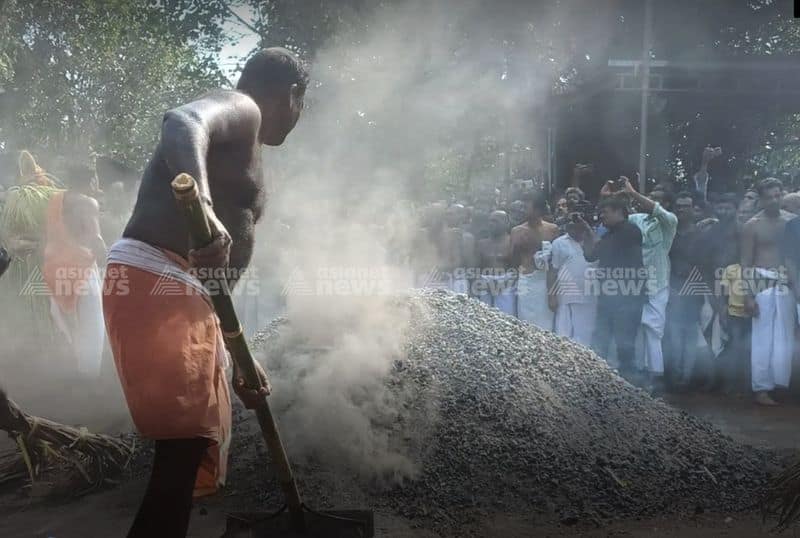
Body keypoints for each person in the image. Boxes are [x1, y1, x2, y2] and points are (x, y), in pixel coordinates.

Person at [103, 48, 306, 537]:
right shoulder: (243, 106)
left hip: (182, 292)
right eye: (302, 107)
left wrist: (240, 358)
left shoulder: (247, 140)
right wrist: (208, 208)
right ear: (293, 96)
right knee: (178, 460)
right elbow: (182, 120)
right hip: (159, 279)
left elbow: (215, 280)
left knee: (182, 458)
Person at [42, 163, 107, 379]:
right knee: (92, 327)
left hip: (54, 268)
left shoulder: (54, 201)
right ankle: (87, 382)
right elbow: (96, 240)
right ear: (90, 181)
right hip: (80, 270)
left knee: (67, 325)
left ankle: (66, 375)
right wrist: (109, 264)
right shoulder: (87, 202)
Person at [740, 177, 795, 406]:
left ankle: (781, 385)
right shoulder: (752, 225)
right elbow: (746, 262)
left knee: (785, 338)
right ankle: (762, 388)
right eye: (769, 196)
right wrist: (748, 295)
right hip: (761, 282)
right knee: (763, 339)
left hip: (787, 283)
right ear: (761, 200)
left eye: (778, 195)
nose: (774, 200)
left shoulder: (792, 221)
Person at [621, 178, 678, 392]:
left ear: (667, 205)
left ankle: (656, 375)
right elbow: (618, 219)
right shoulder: (636, 219)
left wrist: (634, 193)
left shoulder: (669, 221)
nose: (650, 202)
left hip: (657, 284)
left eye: (656, 200)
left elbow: (657, 211)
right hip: (634, 283)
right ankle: (638, 375)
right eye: (651, 198)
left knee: (654, 330)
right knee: (634, 328)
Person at [582, 193, 644, 376]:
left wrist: (592, 234)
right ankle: (600, 380)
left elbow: (599, 250)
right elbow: (590, 256)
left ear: (619, 212)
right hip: (608, 298)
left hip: (627, 299)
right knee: (600, 340)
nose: (602, 216)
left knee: (624, 345)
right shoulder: (609, 235)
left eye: (605, 212)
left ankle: (630, 384)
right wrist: (586, 232)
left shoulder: (630, 231)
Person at [664, 192, 702, 390]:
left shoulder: (701, 234)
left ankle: (687, 377)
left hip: (695, 292)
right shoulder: (669, 234)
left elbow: (706, 263)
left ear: (693, 209)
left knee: (691, 335)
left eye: (685, 206)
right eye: (678, 206)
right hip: (673, 289)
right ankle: (675, 376)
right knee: (674, 334)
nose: (681, 210)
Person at [511, 190, 559, 329]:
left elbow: (555, 262)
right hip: (527, 281)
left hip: (546, 281)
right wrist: (516, 246)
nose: (522, 210)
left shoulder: (552, 229)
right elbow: (513, 262)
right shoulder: (517, 231)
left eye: (526, 207)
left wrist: (552, 294)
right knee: (526, 324)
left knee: (546, 325)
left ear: (537, 209)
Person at [548, 212, 597, 347]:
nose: (571, 224)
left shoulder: (594, 240)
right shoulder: (559, 243)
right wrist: (551, 296)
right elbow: (553, 271)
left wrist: (589, 232)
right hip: (565, 298)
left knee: (585, 337)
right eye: (569, 221)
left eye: (575, 221)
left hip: (589, 298)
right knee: (563, 337)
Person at [477, 210, 516, 315]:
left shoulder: (513, 242)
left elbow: (518, 269)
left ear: (506, 223)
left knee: (506, 320)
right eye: (490, 221)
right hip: (485, 285)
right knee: (484, 319)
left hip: (506, 286)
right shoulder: (482, 243)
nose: (491, 224)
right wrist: (483, 283)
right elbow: (476, 268)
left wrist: (503, 284)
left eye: (495, 221)